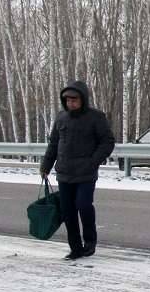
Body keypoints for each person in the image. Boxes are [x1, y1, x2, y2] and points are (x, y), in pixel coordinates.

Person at [40, 81, 115, 260]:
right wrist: (46, 166)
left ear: (83, 99)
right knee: (68, 211)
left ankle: (89, 243)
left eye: (74, 100)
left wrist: (93, 162)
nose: (70, 103)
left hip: (86, 173)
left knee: (83, 205)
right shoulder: (61, 118)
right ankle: (75, 248)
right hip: (64, 172)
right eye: (67, 100)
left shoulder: (96, 117)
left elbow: (107, 142)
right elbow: (53, 144)